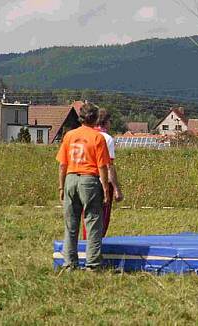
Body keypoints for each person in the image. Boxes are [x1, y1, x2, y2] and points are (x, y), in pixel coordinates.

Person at [56, 102, 110, 270]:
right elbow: (102, 166)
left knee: (71, 224)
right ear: (94, 119)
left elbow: (62, 164)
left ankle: (69, 263)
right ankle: (93, 264)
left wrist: (61, 186)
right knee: (93, 221)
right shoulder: (97, 138)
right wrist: (106, 189)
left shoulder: (69, 136)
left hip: (71, 179)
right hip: (89, 180)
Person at [82, 108, 123, 238]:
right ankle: (97, 245)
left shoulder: (85, 135)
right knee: (102, 219)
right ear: (105, 122)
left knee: (87, 216)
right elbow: (108, 165)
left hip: (84, 180)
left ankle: (85, 244)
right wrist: (116, 188)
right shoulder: (106, 138)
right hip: (101, 181)